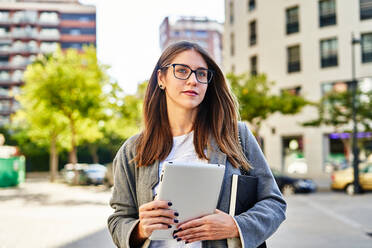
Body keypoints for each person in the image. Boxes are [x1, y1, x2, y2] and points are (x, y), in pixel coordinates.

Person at [108, 41, 286, 248]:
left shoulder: (236, 135)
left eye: (201, 74)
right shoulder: (133, 149)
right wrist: (140, 229)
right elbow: (118, 218)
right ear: (161, 78)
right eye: (182, 71)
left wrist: (236, 225)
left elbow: (274, 203)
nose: (193, 81)